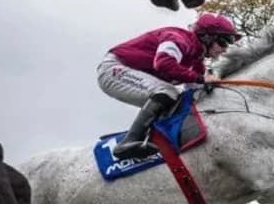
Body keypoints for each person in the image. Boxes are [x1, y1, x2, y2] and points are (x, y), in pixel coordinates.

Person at [97, 12, 241, 160]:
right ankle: (129, 142)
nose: (225, 49)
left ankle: (152, 141)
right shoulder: (177, 38)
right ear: (207, 37)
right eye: (223, 42)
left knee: (177, 100)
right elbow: (164, 64)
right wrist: (201, 79)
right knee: (167, 91)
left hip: (128, 71)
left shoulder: (196, 60)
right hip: (113, 69)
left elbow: (193, 92)